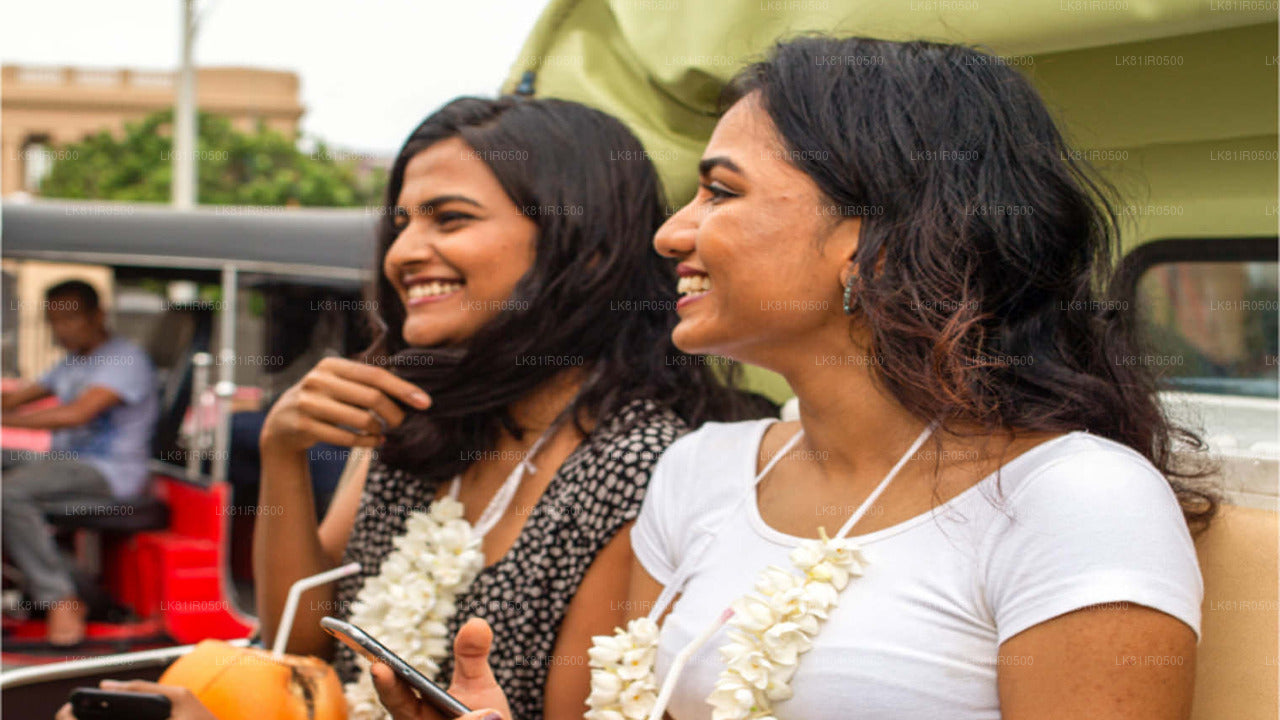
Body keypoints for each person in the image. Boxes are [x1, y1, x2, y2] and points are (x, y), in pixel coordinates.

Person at [380, 37, 1216, 720]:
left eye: (719, 192)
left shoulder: (1076, 500)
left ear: (868, 237)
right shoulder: (700, 472)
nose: (673, 234)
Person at [250, 96, 772, 720]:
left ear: (584, 246)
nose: (402, 253)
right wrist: (281, 454)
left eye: (449, 219)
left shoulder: (641, 464)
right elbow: (298, 647)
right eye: (401, 224)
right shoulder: (413, 417)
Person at [1, 279, 158, 646]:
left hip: (109, 473)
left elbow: (76, 415)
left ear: (98, 315)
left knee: (8, 494)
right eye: (54, 321)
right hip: (67, 466)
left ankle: (61, 599)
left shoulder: (125, 360)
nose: (61, 329)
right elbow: (17, 399)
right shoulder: (73, 362)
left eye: (69, 320)